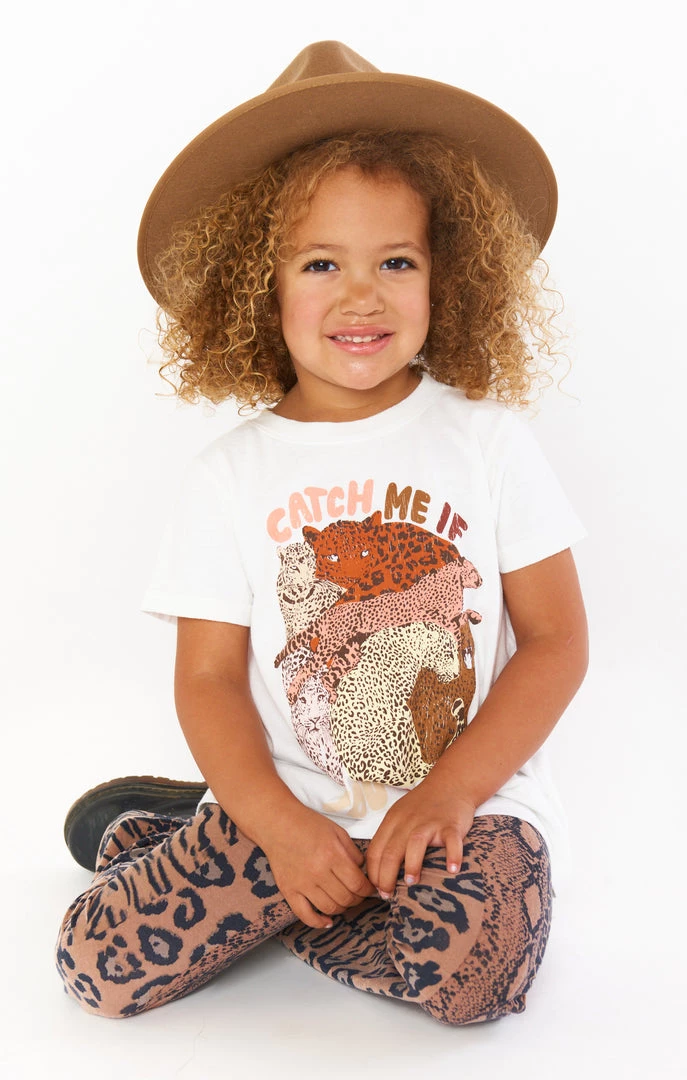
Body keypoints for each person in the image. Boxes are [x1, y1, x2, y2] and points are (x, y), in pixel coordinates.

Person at [56, 40, 588, 1025]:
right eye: (320, 263)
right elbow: (209, 680)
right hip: (285, 808)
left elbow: (556, 640)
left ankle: (270, 896)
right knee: (98, 970)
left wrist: (451, 795)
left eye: (396, 261)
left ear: (445, 276)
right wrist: (275, 826)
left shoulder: (489, 443)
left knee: (470, 979)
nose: (361, 294)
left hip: (468, 808)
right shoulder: (228, 477)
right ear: (257, 286)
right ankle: (199, 842)